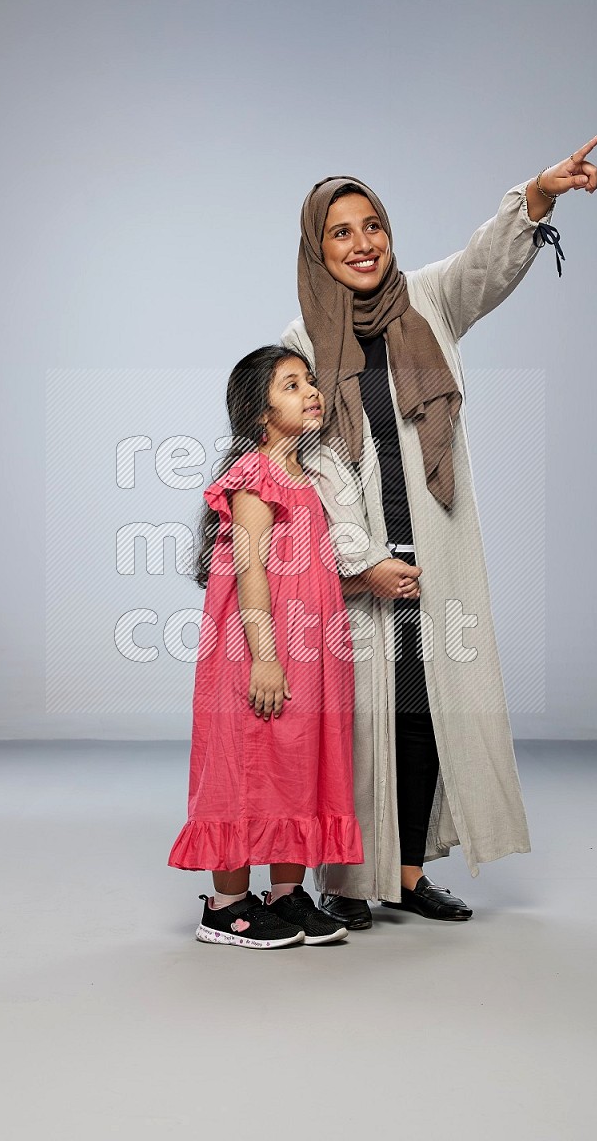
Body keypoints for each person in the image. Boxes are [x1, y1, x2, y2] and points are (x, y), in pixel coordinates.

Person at [282, 138, 597, 930]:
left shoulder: (427, 300)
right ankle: (350, 882)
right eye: (341, 232)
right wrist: (363, 563)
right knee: (359, 723)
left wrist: (537, 193)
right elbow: (315, 466)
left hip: (439, 556)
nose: (362, 244)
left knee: (428, 712)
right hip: (361, 569)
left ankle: (411, 873)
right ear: (317, 248)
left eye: (372, 226)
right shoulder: (300, 342)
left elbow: (485, 264)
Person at [168, 345, 364, 948]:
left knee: (295, 760)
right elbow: (251, 569)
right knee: (243, 762)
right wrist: (265, 655)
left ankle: (287, 894)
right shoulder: (255, 475)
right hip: (262, 644)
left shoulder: (307, 478)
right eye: (290, 385)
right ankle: (225, 906)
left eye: (309, 382)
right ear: (259, 412)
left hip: (310, 646)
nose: (310, 392)